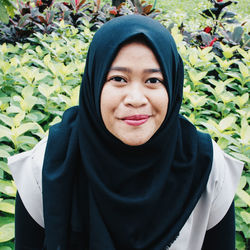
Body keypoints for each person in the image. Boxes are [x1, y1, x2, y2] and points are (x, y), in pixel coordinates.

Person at [8, 15, 243, 250]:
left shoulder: (206, 167)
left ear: (173, 84)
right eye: (118, 79)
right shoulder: (48, 166)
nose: (136, 99)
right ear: (95, 82)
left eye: (153, 80)